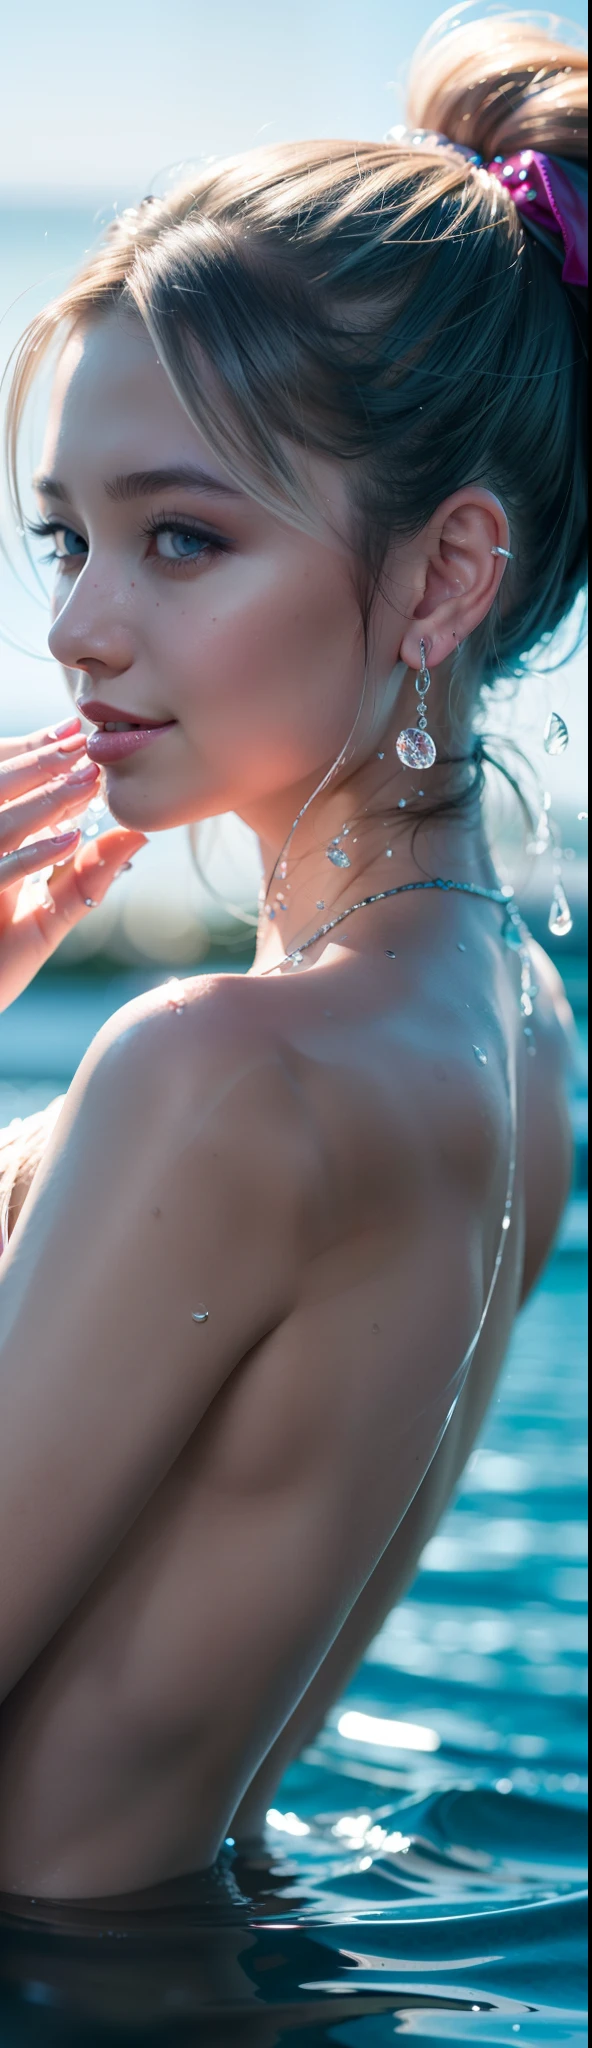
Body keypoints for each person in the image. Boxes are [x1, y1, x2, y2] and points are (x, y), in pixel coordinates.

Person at [0, 9, 585, 1902]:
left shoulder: (219, 1071)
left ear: (442, 576)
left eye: (178, 540)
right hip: (222, 1961)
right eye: (60, 536)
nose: (82, 627)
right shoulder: (517, 1028)